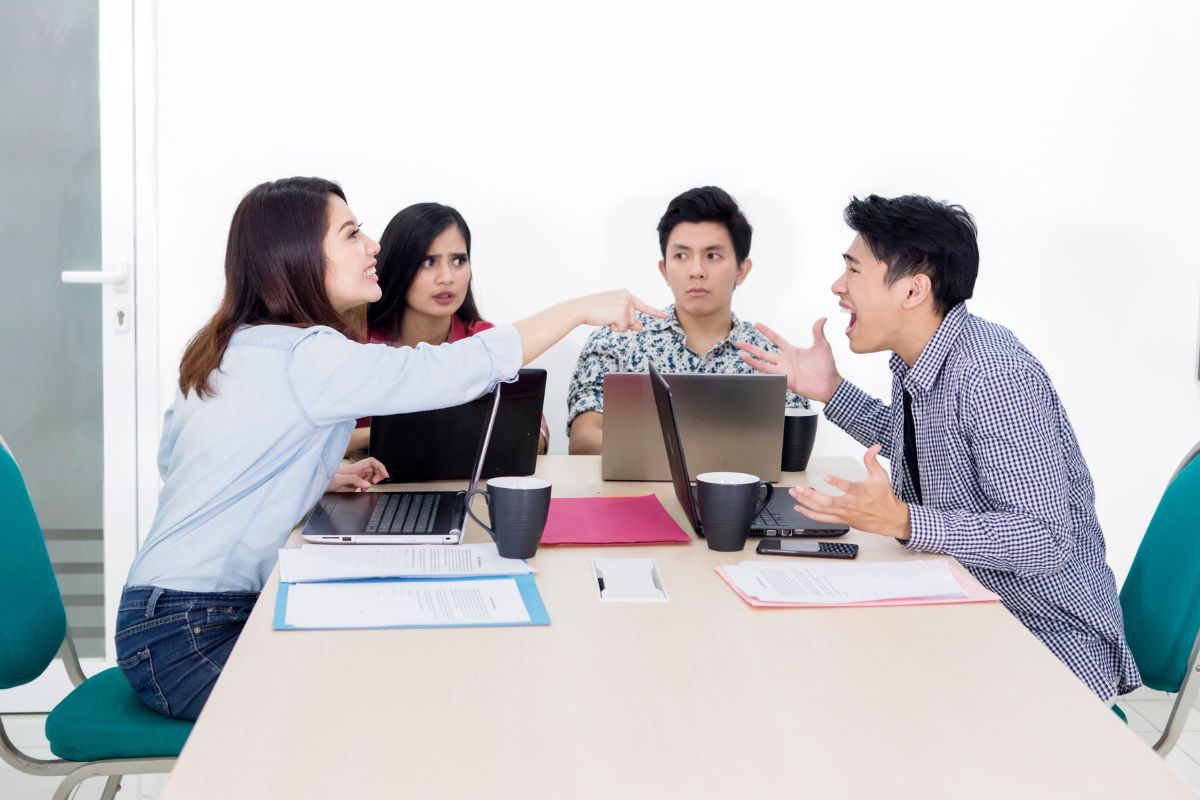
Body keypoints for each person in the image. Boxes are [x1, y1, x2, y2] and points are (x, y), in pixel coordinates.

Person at [115, 177, 660, 720]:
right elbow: (445, 371)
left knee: (385, 679)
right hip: (191, 634)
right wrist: (576, 309)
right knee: (376, 711)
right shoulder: (307, 355)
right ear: (300, 256)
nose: (373, 246)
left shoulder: (235, 343)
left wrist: (307, 472)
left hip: (163, 614)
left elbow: (178, 460)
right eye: (352, 234)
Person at [738, 194, 1139, 701]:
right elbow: (929, 451)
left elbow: (1044, 539)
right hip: (966, 598)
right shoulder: (922, 358)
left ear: (913, 290)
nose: (838, 287)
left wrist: (903, 521)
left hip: (1044, 635)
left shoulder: (994, 375)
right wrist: (831, 390)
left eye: (854, 270)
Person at [566, 186, 808, 454]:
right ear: (665, 269)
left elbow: (790, 453)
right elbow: (583, 440)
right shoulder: (615, 340)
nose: (696, 271)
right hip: (634, 495)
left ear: (741, 269)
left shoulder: (772, 358)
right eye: (681, 256)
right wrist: (703, 455)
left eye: (712, 256)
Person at [347, 202, 548, 455]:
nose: (447, 277)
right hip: (369, 487)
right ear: (398, 265)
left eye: (458, 260)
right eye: (429, 262)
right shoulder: (356, 341)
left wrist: (395, 433)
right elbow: (313, 439)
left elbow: (534, 437)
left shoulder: (486, 340)